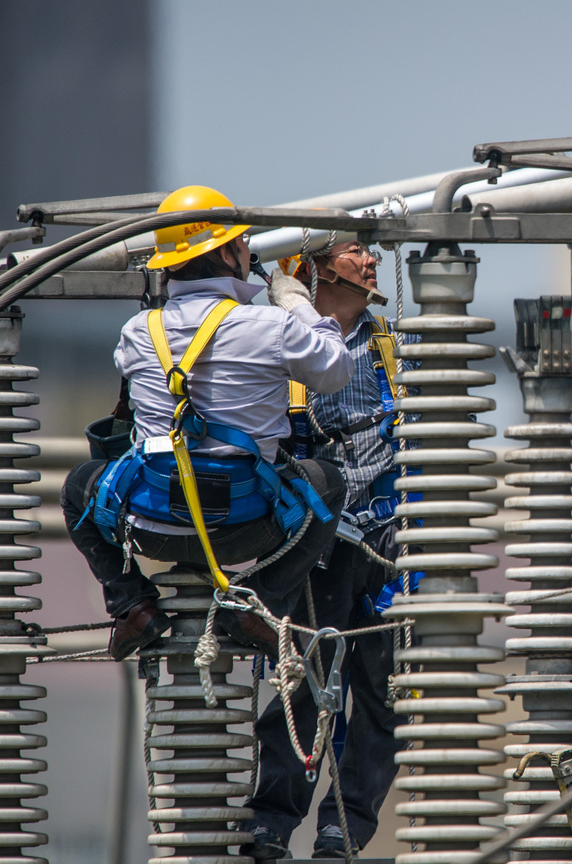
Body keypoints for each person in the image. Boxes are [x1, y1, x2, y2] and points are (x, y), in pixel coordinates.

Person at [61, 185, 351, 660]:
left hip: (151, 524)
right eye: (242, 243)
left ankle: (133, 606)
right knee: (329, 484)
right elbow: (335, 369)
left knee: (78, 487)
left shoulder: (137, 333)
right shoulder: (269, 326)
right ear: (228, 251)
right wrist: (298, 305)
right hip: (246, 526)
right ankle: (258, 604)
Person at [241, 240, 412, 860]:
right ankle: (270, 826)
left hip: (384, 539)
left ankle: (344, 830)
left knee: (380, 690)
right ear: (312, 264)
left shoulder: (393, 344)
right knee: (302, 684)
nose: (371, 262)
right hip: (314, 539)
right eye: (354, 251)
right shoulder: (278, 339)